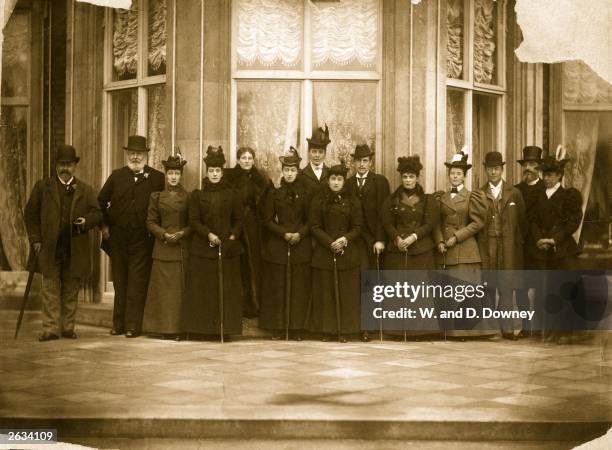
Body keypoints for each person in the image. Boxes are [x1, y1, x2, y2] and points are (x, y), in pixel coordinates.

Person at [24, 144, 102, 341]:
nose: (65, 168)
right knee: (50, 288)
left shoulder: (85, 189)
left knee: (71, 288)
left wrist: (86, 222)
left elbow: (97, 213)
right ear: (56, 166)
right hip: (49, 247)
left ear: (75, 166)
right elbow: (30, 215)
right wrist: (35, 240)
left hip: (74, 247)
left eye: (69, 164)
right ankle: (50, 329)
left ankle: (68, 327)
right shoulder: (43, 187)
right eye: (61, 164)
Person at [98, 135, 165, 338]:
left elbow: (165, 206)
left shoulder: (157, 178)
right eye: (132, 153)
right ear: (127, 154)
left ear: (146, 155)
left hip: (142, 238)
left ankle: (133, 326)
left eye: (139, 153)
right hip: (118, 237)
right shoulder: (117, 176)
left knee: (137, 281)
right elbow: (100, 202)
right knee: (120, 280)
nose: (135, 157)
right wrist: (104, 226)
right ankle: (118, 324)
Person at [185, 146, 244, 339]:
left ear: (222, 171)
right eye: (211, 171)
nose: (215, 174)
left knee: (226, 290)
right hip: (203, 248)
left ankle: (226, 330)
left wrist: (233, 236)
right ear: (207, 172)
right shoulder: (198, 195)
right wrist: (208, 234)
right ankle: (203, 330)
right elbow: (194, 220)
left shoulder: (232, 194)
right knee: (205, 290)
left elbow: (239, 219)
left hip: (227, 248)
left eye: (218, 170)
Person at [380, 156, 439, 338]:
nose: (408, 180)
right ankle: (396, 330)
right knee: (397, 289)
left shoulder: (427, 200)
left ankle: (421, 331)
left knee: (419, 291)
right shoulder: (391, 200)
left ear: (417, 177)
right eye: (405, 176)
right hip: (397, 250)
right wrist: (396, 238)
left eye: (411, 176)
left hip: (420, 250)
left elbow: (430, 223)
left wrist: (414, 237)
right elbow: (387, 222)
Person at [527, 149, 583, 342]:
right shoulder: (537, 195)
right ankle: (546, 331)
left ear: (559, 175)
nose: (547, 179)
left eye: (551, 175)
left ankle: (565, 332)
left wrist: (553, 240)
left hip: (562, 250)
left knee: (563, 289)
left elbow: (572, 223)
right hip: (541, 250)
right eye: (545, 175)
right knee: (544, 289)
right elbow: (532, 221)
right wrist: (539, 240)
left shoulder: (569, 196)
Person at [434, 150, 490, 339]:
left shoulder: (472, 196)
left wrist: (457, 237)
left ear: (464, 176)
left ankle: (468, 331)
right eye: (452, 173)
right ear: (448, 175)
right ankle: (452, 331)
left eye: (459, 173)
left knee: (466, 292)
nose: (455, 176)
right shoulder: (441, 197)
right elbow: (437, 223)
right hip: (446, 251)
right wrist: (440, 240)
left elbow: (477, 223)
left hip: (465, 250)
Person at [308, 162, 364, 343]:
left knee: (346, 292)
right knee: (326, 293)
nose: (336, 182)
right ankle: (327, 330)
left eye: (339, 179)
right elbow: (314, 226)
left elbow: (358, 226)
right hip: (325, 251)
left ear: (344, 181)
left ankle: (345, 331)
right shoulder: (319, 200)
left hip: (347, 252)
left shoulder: (353, 201)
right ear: (328, 181)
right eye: (333, 179)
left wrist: (344, 239)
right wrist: (329, 242)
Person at [260, 148, 312, 340]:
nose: (289, 173)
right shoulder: (275, 194)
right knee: (279, 287)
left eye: (293, 170)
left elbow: (311, 220)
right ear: (282, 171)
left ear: (298, 171)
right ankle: (279, 328)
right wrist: (284, 233)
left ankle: (297, 328)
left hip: (301, 244)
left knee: (299, 287)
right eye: (286, 170)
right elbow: (267, 220)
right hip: (279, 245)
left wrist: (299, 234)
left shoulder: (306, 194)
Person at [142, 154, 191, 341]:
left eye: (176, 173)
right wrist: (163, 234)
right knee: (162, 292)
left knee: (177, 293)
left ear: (181, 175)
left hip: (180, 250)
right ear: (166, 174)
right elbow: (150, 221)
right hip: (162, 249)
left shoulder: (188, 197)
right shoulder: (156, 196)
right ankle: (161, 327)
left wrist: (182, 233)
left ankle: (178, 329)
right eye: (170, 173)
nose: (173, 177)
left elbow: (192, 223)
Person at [479, 151, 527, 340]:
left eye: (497, 168)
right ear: (485, 170)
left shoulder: (514, 192)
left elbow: (522, 222)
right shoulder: (480, 193)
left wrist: (515, 244)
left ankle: (507, 328)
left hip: (508, 245)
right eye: (490, 168)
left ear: (502, 169)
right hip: (488, 243)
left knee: (507, 286)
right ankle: (491, 329)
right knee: (489, 285)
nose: (493, 172)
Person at [224, 147, 272, 318]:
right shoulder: (229, 178)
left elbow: (266, 205)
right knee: (237, 264)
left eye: (249, 158)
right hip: (235, 225)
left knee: (254, 264)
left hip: (253, 227)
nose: (246, 161)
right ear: (237, 160)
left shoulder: (261, 180)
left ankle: (254, 305)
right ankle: (238, 305)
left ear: (253, 160)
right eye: (243, 158)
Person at [514, 145, 545, 337]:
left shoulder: (546, 189)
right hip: (520, 246)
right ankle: (526, 327)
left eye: (533, 164)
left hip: (540, 246)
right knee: (521, 288)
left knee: (541, 286)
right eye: (526, 164)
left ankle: (541, 327)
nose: (529, 168)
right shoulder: (516, 190)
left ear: (539, 168)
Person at [346, 144, 390, 270]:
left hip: (373, 237)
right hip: (354, 238)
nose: (361, 164)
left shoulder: (380, 182)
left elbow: (384, 213)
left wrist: (381, 240)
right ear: (354, 163)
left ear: (370, 163)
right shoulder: (348, 184)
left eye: (365, 160)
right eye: (358, 160)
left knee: (373, 273)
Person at [298, 124, 331, 191]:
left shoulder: (330, 173)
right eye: (314, 151)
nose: (317, 155)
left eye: (320, 152)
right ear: (309, 152)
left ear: (325, 154)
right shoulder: (302, 174)